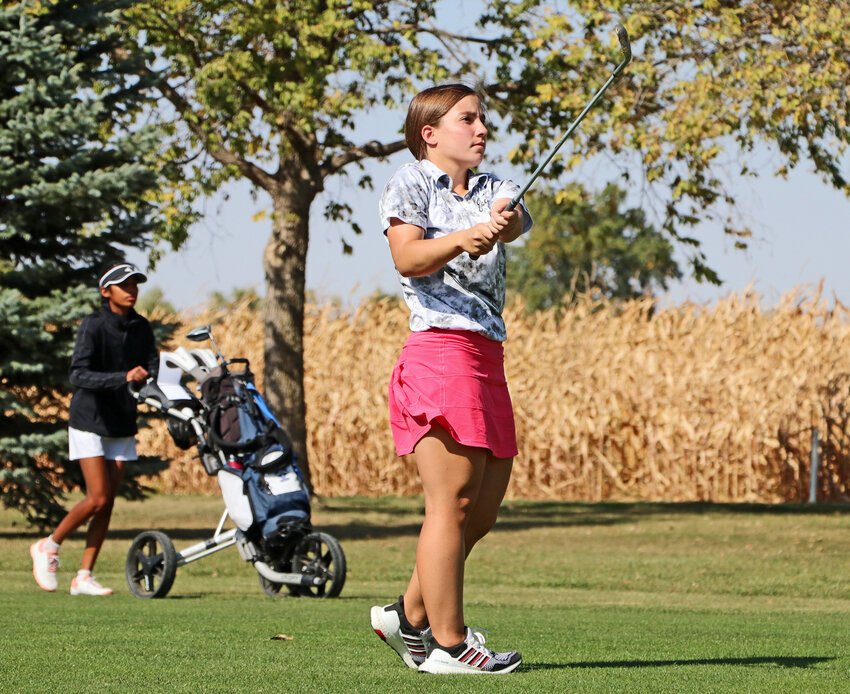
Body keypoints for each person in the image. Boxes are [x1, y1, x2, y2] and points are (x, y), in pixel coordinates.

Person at [370, 83, 532, 675]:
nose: (482, 129)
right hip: (440, 350)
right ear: (430, 133)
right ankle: (448, 643)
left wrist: (501, 224)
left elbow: (515, 223)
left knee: (481, 511)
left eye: (483, 120)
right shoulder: (409, 181)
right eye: (468, 120)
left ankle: (406, 615)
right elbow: (407, 257)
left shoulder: (495, 190)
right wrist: (464, 237)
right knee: (452, 503)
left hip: (488, 356)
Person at [30, 262, 159, 596]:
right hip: (89, 420)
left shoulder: (141, 327)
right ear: (106, 292)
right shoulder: (93, 325)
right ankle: (49, 546)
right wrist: (123, 378)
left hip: (121, 422)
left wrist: (154, 386)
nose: (131, 290)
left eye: (135, 284)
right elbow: (79, 375)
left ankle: (83, 576)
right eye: (123, 285)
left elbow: (152, 367)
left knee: (108, 502)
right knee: (97, 496)